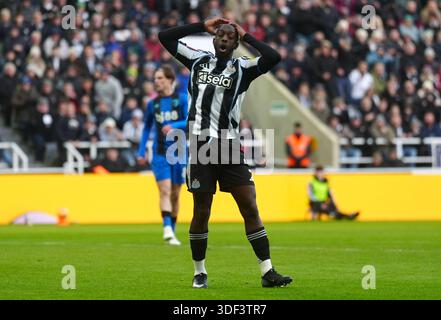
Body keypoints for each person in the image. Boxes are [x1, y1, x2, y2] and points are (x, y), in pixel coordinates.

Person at [158, 17, 292, 288]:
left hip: (229, 147)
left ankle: (267, 272)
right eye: (220, 35)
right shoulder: (197, 60)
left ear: (235, 43)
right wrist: (199, 25)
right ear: (213, 38)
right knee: (202, 210)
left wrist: (247, 36)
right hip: (200, 146)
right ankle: (199, 272)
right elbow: (165, 36)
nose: (224, 40)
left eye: (230, 37)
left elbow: (273, 56)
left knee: (250, 206)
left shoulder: (243, 69)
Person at [137, 65, 188, 246]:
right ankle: (166, 228)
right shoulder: (153, 104)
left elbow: (191, 121)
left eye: (159, 78)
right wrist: (141, 151)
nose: (156, 82)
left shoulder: (181, 100)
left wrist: (175, 125)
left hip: (180, 153)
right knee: (165, 190)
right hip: (160, 153)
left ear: (170, 80)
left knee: (175, 194)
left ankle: (171, 232)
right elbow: (146, 128)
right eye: (155, 79)